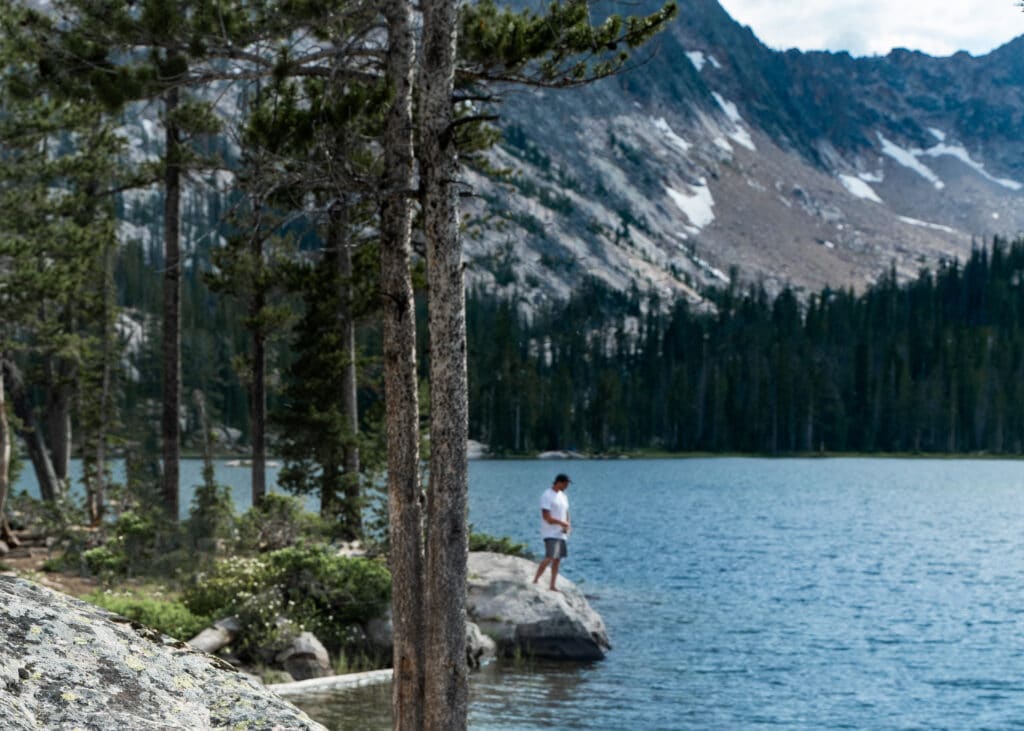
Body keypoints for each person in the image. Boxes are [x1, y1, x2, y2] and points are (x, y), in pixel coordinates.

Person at [533, 473, 571, 591]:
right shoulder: (547, 495)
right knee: (550, 556)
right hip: (550, 533)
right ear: (559, 482)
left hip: (561, 533)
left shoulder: (563, 496)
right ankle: (535, 580)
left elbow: (567, 512)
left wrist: (567, 525)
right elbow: (547, 518)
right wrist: (561, 523)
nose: (567, 486)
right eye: (566, 483)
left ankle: (552, 585)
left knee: (557, 559)